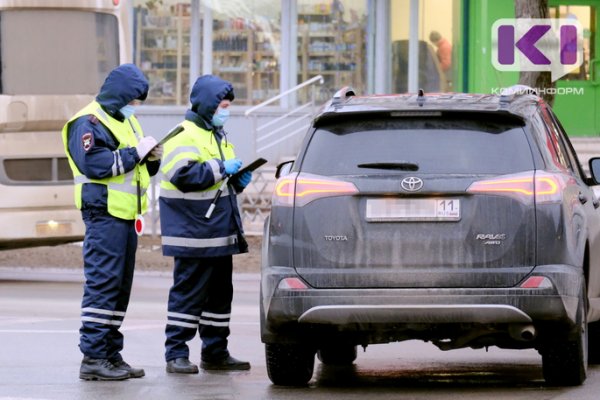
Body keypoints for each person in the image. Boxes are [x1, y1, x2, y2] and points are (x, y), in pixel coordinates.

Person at [62, 63, 163, 381]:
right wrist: (137, 153)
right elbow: (96, 164)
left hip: (124, 215)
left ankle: (109, 353)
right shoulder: (88, 121)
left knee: (119, 289)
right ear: (119, 95)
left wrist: (152, 160)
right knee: (103, 285)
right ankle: (93, 357)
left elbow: (134, 171)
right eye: (133, 101)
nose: (135, 108)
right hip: (103, 214)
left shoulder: (123, 121)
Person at [159, 75, 252, 373]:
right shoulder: (183, 134)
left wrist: (237, 180)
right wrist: (221, 167)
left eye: (228, 106)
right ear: (207, 105)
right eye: (222, 106)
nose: (226, 111)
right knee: (187, 295)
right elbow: (183, 175)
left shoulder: (219, 135)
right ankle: (176, 353)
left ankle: (215, 352)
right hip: (193, 234)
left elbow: (218, 183)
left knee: (220, 296)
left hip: (218, 234)